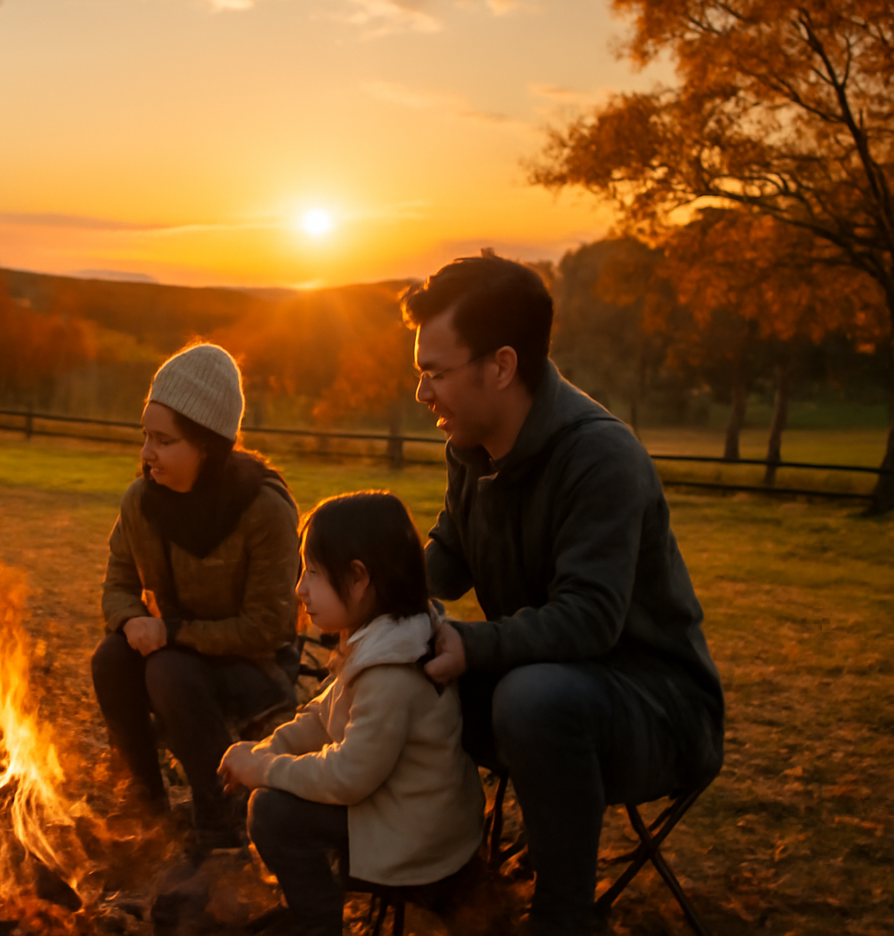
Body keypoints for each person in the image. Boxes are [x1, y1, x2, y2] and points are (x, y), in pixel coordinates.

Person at [408, 253, 725, 936]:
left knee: (532, 696)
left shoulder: (600, 455)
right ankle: (450, 878)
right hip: (551, 685)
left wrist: (470, 642)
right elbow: (449, 556)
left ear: (500, 365)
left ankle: (561, 919)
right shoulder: (470, 449)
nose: (422, 394)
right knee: (403, 668)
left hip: (655, 706)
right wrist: (367, 592)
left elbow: (591, 620)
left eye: (435, 373)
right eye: (419, 373)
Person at [220, 492, 485, 936]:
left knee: (271, 811)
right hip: (403, 818)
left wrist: (264, 770)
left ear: (359, 578)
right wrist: (265, 750)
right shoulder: (380, 637)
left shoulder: (391, 672)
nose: (300, 588)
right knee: (271, 792)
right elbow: (323, 714)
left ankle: (317, 921)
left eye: (314, 573)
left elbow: (348, 776)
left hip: (418, 846)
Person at [91, 343, 301, 848]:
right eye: (145, 436)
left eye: (164, 441)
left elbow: (269, 626)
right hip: (180, 653)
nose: (147, 453)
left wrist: (174, 632)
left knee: (169, 668)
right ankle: (144, 801)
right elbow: (117, 582)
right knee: (111, 660)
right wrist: (129, 620)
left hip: (255, 667)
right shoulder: (142, 500)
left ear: (206, 444)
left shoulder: (263, 508)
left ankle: (219, 820)